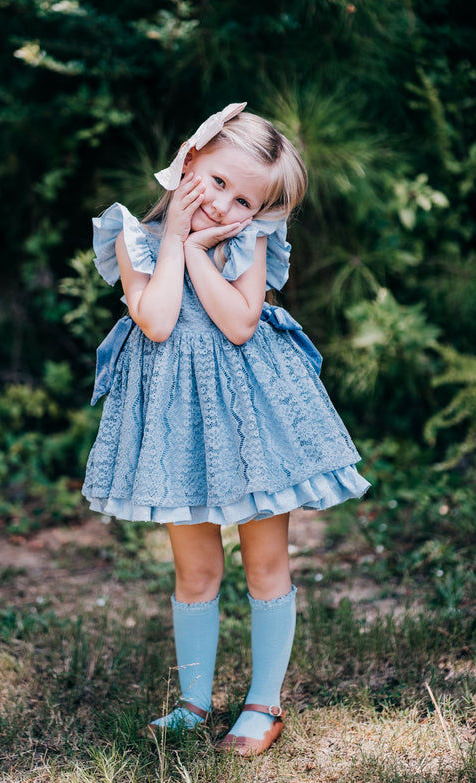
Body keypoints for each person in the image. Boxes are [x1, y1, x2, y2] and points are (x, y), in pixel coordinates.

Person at [82, 103, 370, 756]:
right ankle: (191, 702)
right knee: (195, 571)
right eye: (214, 182)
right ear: (187, 161)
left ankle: (264, 704)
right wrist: (176, 240)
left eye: (242, 197)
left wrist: (200, 250)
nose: (224, 203)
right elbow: (155, 320)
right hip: (178, 424)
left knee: (264, 561)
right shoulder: (133, 237)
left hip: (250, 419)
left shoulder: (246, 236)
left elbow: (240, 321)